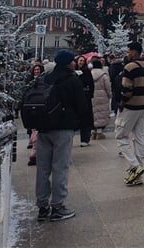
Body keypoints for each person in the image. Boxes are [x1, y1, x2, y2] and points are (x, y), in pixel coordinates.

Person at [34, 49, 87, 222]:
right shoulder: (72, 80)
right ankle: (57, 206)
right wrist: (80, 122)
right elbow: (82, 105)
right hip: (63, 128)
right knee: (60, 167)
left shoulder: (45, 78)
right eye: (72, 60)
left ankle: (42, 206)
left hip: (44, 128)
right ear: (68, 63)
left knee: (42, 168)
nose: (74, 63)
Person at [115, 43, 144, 186]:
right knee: (139, 137)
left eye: (129, 51)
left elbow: (127, 88)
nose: (127, 54)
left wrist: (122, 102)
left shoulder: (129, 67)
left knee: (121, 135)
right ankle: (136, 175)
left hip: (131, 105)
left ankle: (135, 166)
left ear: (134, 52)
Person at [25, 62, 44, 166]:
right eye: (35, 70)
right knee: (34, 131)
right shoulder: (29, 81)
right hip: (31, 109)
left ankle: (34, 154)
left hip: (39, 109)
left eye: (38, 69)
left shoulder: (44, 81)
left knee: (36, 132)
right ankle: (34, 152)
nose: (37, 71)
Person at [75, 55, 94, 147]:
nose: (81, 62)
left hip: (85, 98)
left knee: (85, 119)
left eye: (83, 61)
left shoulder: (87, 72)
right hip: (75, 99)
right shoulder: (72, 72)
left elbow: (91, 84)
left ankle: (85, 138)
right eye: (80, 60)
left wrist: (89, 94)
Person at [90, 57, 111, 139]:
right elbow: (108, 87)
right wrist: (109, 95)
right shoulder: (104, 75)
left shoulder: (89, 73)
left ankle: (93, 132)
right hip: (103, 96)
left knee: (93, 113)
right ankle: (99, 132)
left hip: (92, 96)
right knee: (101, 114)